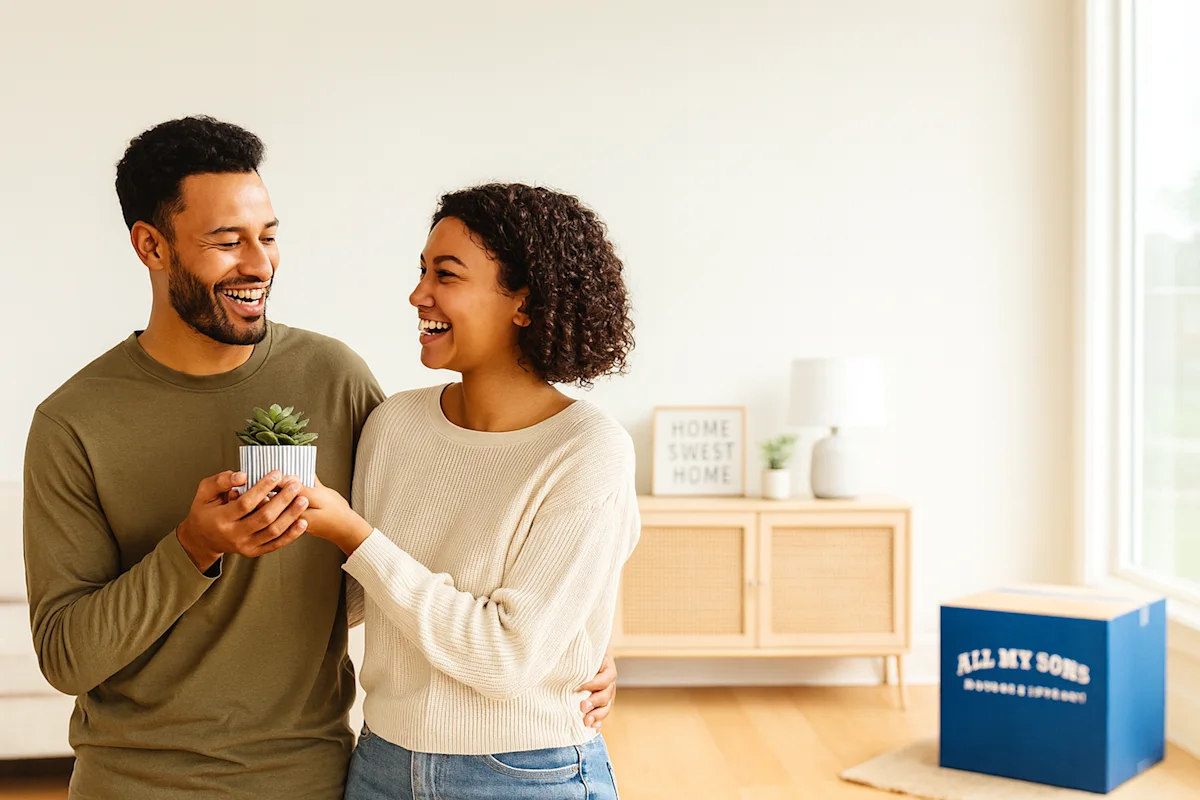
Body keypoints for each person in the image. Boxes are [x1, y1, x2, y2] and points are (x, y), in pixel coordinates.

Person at [22, 117, 616, 800]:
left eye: (268, 236)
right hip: (133, 784)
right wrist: (192, 548)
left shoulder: (336, 380)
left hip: (314, 778)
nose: (259, 263)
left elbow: (404, 556)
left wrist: (577, 641)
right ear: (151, 246)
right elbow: (65, 658)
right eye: (227, 241)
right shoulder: (74, 422)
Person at [297, 183, 639, 799]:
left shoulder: (587, 449)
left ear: (524, 304)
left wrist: (353, 534)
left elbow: (505, 658)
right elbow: (354, 600)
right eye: (422, 270)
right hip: (381, 763)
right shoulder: (393, 424)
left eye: (446, 275)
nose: (418, 295)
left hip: (527, 773)